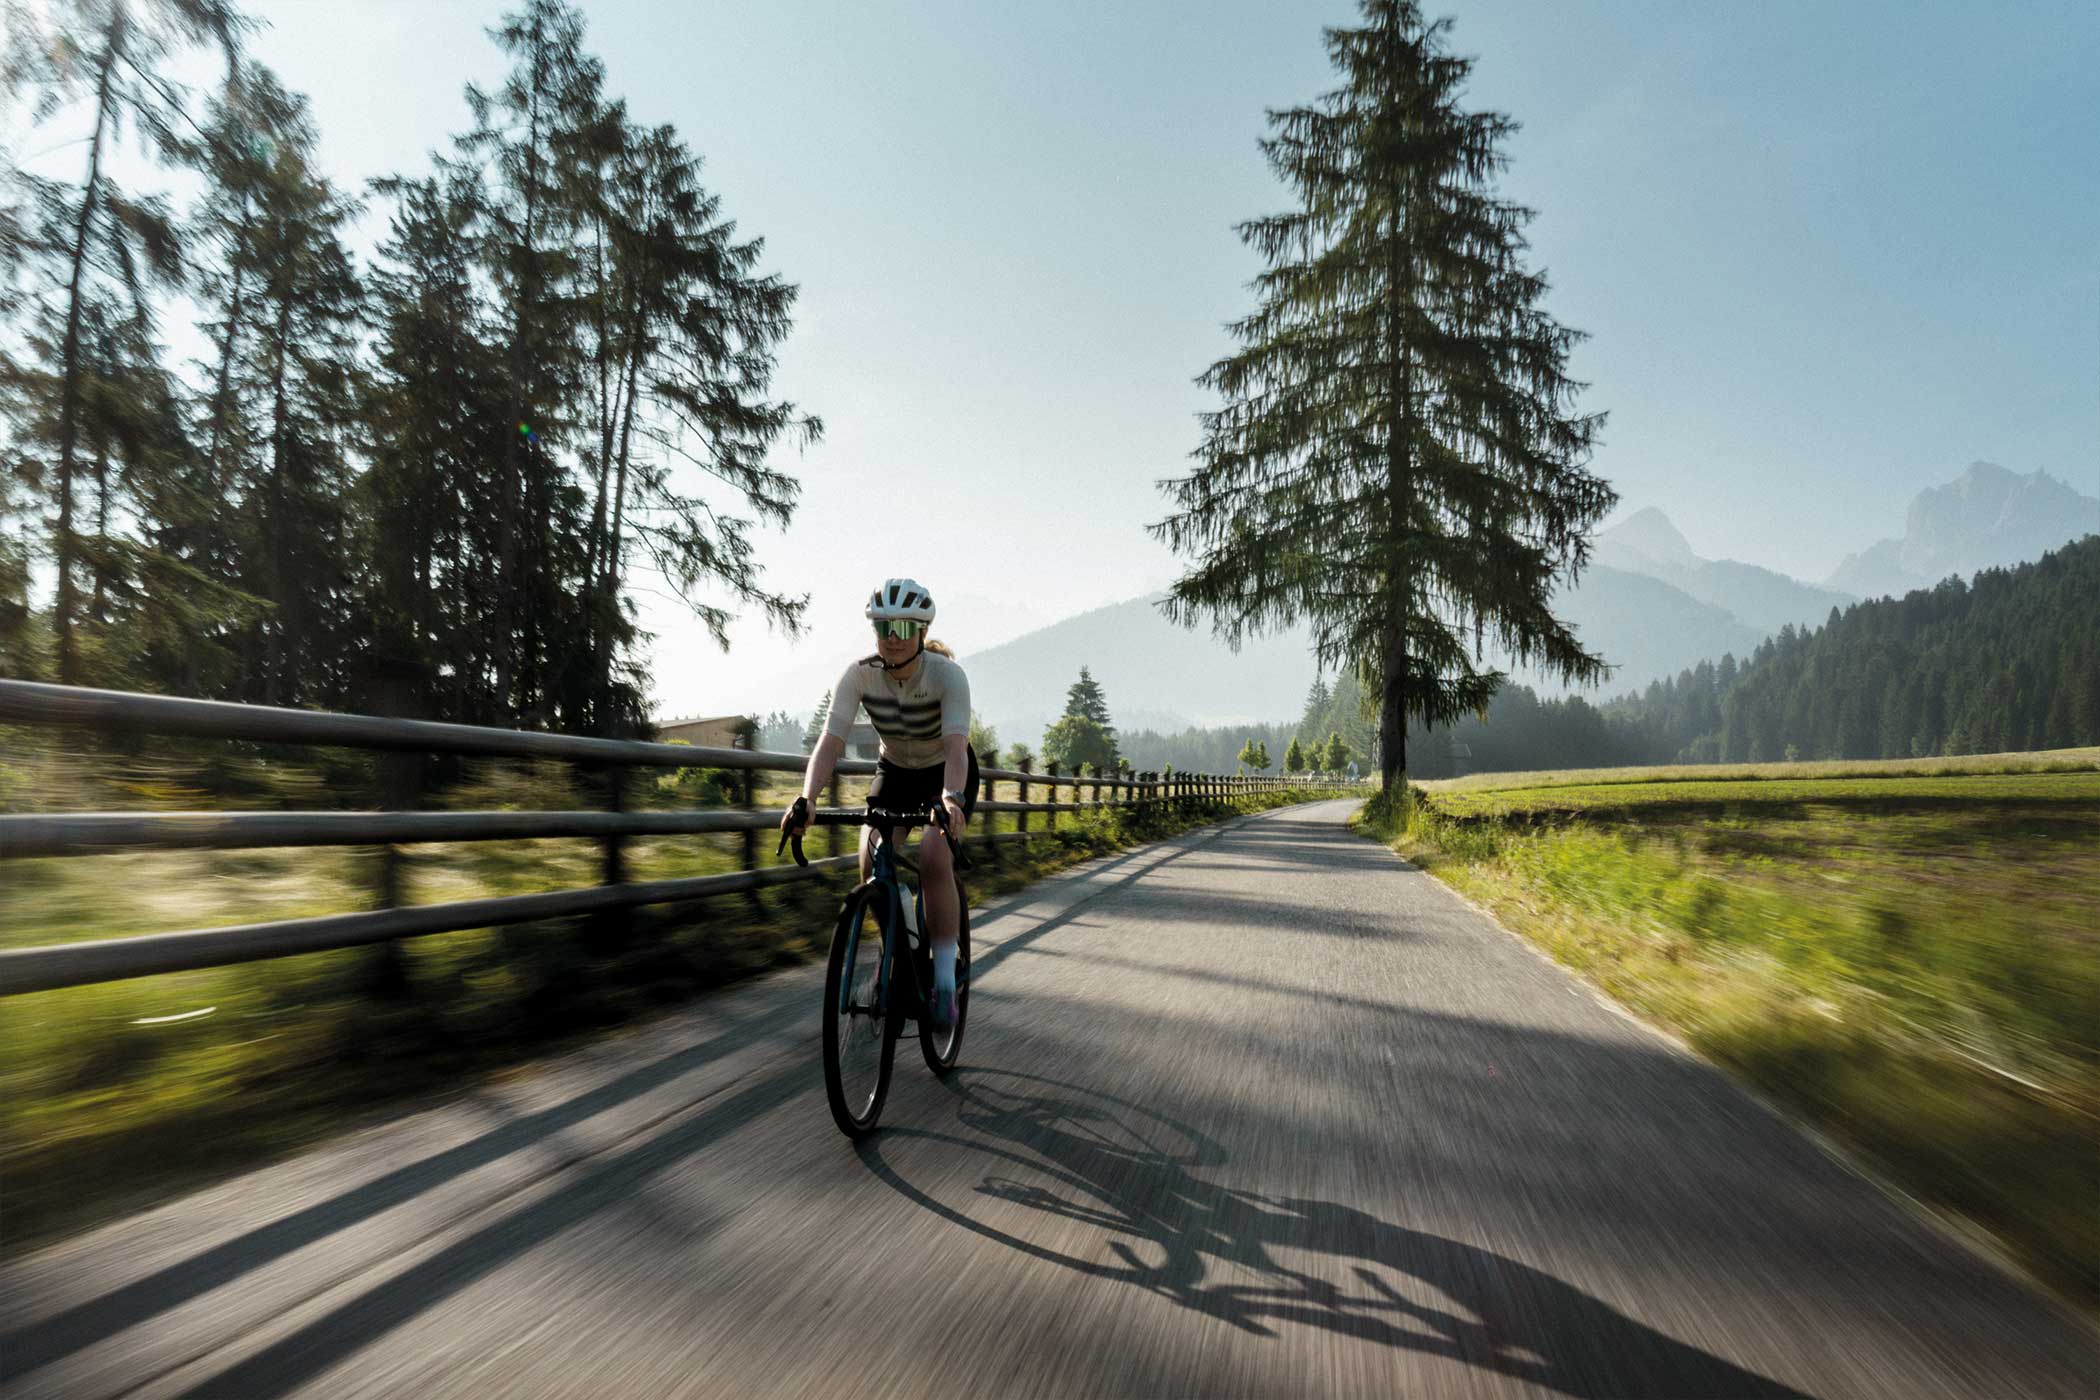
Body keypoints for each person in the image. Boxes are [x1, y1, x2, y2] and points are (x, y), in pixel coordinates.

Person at [782, 577, 977, 1027]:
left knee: (932, 855)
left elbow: (954, 748)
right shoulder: (859, 675)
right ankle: (902, 949)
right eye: (884, 626)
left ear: (922, 633)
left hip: (944, 773)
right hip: (894, 772)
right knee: (870, 858)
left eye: (904, 628)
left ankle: (945, 980)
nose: (892, 637)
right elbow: (830, 742)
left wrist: (950, 801)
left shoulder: (948, 677)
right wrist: (806, 798)